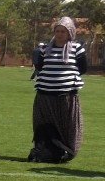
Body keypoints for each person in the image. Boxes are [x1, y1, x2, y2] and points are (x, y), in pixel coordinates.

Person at [29, 16, 86, 163]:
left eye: (63, 31)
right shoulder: (44, 49)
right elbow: (40, 67)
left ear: (70, 33)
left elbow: (83, 68)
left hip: (66, 96)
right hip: (45, 94)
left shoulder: (76, 48)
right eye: (57, 31)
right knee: (44, 124)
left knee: (67, 127)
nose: (60, 34)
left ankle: (65, 150)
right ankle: (45, 151)